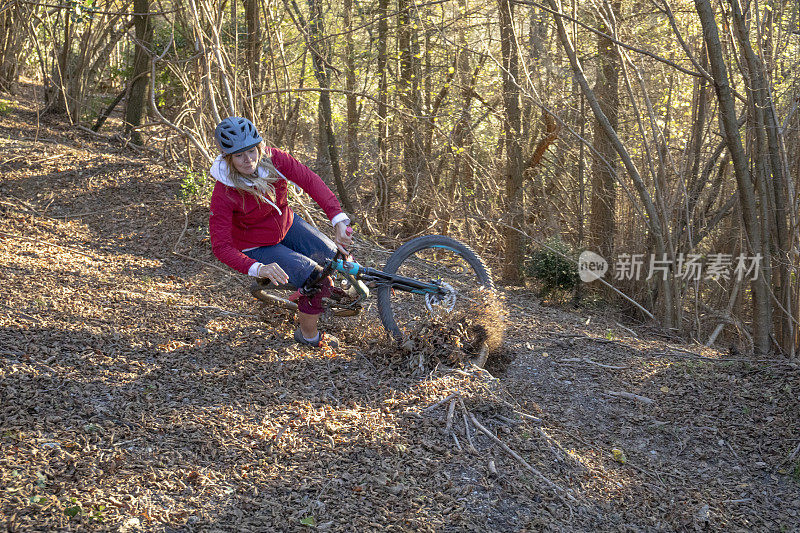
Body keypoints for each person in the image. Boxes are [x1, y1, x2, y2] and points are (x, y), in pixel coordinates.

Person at [208, 116, 353, 348]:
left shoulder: (275, 159)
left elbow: (311, 181)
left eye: (252, 151)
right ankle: (309, 337)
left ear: (259, 147)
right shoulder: (224, 191)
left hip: (286, 224)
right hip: (256, 244)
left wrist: (338, 220)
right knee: (315, 279)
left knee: (336, 257)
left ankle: (311, 290)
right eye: (239, 155)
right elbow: (220, 246)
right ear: (228, 158)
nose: (248, 160)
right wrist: (258, 268)